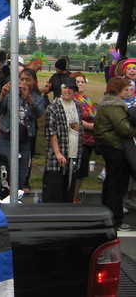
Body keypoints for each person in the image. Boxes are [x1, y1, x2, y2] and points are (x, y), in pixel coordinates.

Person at [94, 77, 136, 231]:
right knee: (117, 185)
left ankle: (107, 215)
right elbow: (125, 129)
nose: (127, 92)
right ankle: (115, 219)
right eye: (125, 89)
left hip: (108, 146)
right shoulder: (115, 106)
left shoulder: (106, 103)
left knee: (111, 182)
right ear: (117, 91)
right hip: (115, 147)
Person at [0, 68, 45, 193]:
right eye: (22, 79)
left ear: (34, 81)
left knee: (21, 175)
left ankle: (17, 197)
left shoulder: (38, 98)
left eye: (28, 80)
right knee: (7, 172)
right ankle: (5, 197)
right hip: (6, 138)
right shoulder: (11, 94)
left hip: (24, 142)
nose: (24, 82)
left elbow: (38, 114)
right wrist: (2, 95)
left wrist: (29, 98)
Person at [42, 77, 83, 203]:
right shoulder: (54, 107)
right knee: (55, 190)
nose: (67, 91)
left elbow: (78, 129)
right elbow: (51, 132)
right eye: (65, 88)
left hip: (74, 154)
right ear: (61, 89)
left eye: (71, 88)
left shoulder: (77, 106)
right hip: (58, 155)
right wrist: (58, 153)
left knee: (69, 189)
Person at [71, 72, 97, 202]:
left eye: (83, 82)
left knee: (82, 170)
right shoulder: (72, 99)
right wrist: (90, 126)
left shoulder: (86, 98)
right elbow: (74, 119)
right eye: (78, 82)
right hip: (79, 138)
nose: (81, 84)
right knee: (78, 170)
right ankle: (72, 197)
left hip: (89, 140)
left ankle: (75, 195)